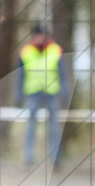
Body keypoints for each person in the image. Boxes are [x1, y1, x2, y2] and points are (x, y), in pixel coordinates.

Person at [16, 23, 68, 167]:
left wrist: (64, 90)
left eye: (41, 35)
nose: (39, 38)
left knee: (54, 127)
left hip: (52, 93)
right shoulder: (25, 51)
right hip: (32, 93)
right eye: (36, 35)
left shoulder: (55, 50)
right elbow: (20, 75)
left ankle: (55, 157)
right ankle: (29, 157)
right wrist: (19, 94)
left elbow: (62, 72)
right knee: (31, 126)